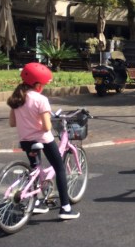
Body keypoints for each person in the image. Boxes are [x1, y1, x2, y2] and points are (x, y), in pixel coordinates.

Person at [7, 63, 80, 220]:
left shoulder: (17, 98)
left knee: (35, 169)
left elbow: (12, 123)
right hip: (43, 139)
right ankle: (65, 208)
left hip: (25, 140)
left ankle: (36, 203)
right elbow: (47, 127)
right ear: (38, 84)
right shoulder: (41, 99)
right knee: (59, 167)